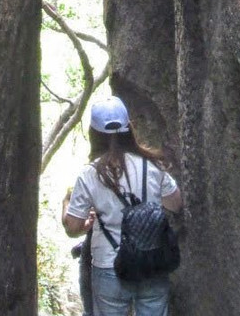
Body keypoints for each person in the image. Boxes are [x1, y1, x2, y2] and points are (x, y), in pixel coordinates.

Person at [62, 97, 183, 316]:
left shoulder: (89, 175)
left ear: (93, 133)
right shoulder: (153, 165)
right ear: (129, 128)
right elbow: (176, 204)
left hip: (109, 266)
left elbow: (73, 228)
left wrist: (66, 206)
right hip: (152, 261)